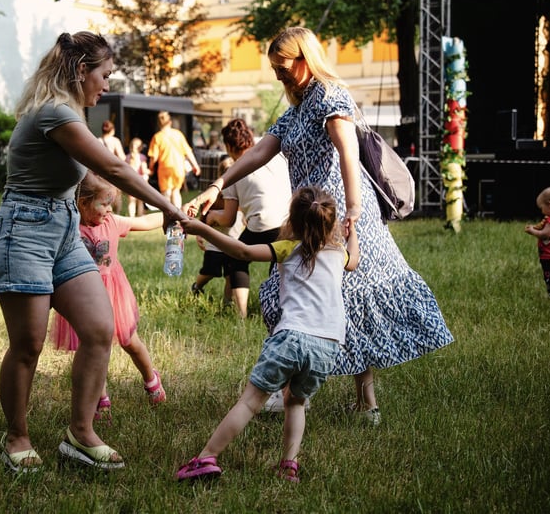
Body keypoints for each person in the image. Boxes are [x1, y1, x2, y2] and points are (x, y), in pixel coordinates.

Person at [185, 27, 454, 425]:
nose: (278, 74)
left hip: (338, 218)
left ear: (305, 59)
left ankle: (356, 402)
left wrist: (354, 211)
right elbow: (259, 151)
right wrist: (217, 184)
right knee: (294, 294)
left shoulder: (330, 96)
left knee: (347, 300)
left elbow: (347, 150)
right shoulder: (297, 109)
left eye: (283, 66)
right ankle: (302, 391)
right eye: (274, 68)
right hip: (308, 218)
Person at [0, 31, 187, 475]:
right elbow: (112, 166)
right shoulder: (55, 112)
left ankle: (80, 433)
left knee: (100, 328)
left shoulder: (68, 111)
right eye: (105, 75)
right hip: (25, 231)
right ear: (82, 71)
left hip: (64, 231)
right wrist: (169, 207)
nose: (107, 85)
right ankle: (17, 437)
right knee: (28, 344)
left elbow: (89, 178)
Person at [176, 186, 360, 483]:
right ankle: (289, 466)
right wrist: (352, 232)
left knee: (250, 401)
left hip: (291, 338)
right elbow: (355, 261)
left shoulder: (289, 247)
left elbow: (242, 251)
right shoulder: (339, 253)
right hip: (328, 345)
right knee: (296, 402)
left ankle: (206, 457)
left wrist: (202, 228)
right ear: (331, 223)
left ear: (293, 220)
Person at [50, 170, 167, 421]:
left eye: (110, 203)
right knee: (92, 346)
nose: (109, 209)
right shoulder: (71, 227)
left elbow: (145, 222)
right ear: (83, 203)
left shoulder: (112, 222)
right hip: (84, 293)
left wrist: (171, 213)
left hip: (113, 293)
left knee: (130, 341)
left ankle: (151, 379)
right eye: (104, 203)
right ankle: (100, 395)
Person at [198, 118, 290, 319]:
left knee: (235, 257)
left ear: (230, 146)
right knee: (279, 262)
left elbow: (228, 219)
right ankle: (279, 309)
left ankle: (241, 314)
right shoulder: (276, 157)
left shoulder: (234, 170)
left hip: (264, 224)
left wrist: (212, 216)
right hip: (288, 223)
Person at [191, 155, 244, 306]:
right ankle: (197, 286)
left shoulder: (241, 192)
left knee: (230, 275)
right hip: (214, 243)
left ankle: (227, 302)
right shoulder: (215, 196)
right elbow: (204, 216)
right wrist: (199, 234)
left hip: (233, 241)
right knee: (209, 271)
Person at [148, 110, 201, 208]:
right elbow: (188, 152)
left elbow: (154, 157)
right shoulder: (178, 134)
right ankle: (178, 213)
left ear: (158, 123)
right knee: (176, 191)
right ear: (170, 122)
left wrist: (150, 168)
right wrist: (195, 165)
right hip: (178, 168)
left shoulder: (157, 137)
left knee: (166, 193)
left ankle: (167, 214)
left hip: (165, 168)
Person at [99, 120, 127, 213]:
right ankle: (115, 215)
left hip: (100, 172)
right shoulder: (115, 141)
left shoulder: (97, 141)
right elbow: (122, 157)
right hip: (113, 171)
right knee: (116, 195)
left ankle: (105, 213)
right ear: (112, 130)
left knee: (103, 194)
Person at [125, 137, 150, 217]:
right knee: (140, 201)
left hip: (130, 181)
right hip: (140, 181)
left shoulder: (127, 157)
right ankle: (140, 216)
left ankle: (131, 217)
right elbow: (144, 170)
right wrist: (150, 171)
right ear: (141, 147)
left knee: (131, 201)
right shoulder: (142, 157)